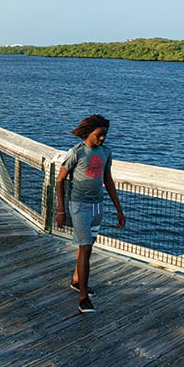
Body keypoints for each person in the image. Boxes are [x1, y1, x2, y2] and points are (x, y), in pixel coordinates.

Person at [55, 114, 126, 313]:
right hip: (78, 206)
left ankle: (77, 280)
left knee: (89, 246)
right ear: (88, 133)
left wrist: (119, 210)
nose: (102, 138)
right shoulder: (76, 153)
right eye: (99, 134)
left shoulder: (106, 153)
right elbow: (60, 180)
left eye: (105, 135)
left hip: (97, 207)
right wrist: (61, 210)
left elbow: (108, 181)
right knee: (85, 248)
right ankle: (83, 297)